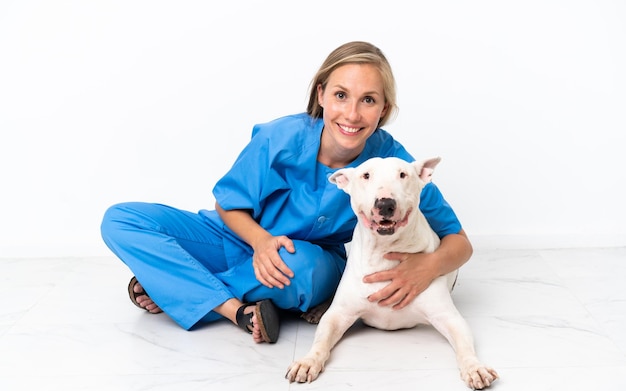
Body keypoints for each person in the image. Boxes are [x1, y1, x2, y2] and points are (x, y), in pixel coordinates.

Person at [100, 40, 473, 344]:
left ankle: (175, 286)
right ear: (322, 94)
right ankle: (231, 308)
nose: (352, 114)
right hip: (235, 237)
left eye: (369, 100)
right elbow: (227, 204)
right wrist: (261, 243)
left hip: (305, 263)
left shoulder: (396, 168)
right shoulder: (279, 137)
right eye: (341, 95)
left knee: (301, 271)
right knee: (120, 219)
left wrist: (427, 267)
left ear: (383, 110)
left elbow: (459, 242)